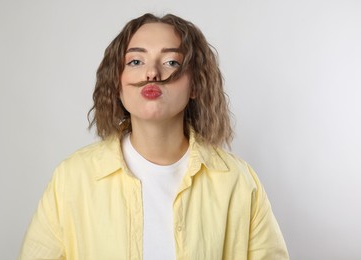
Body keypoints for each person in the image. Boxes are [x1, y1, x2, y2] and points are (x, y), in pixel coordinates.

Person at [18, 13, 289, 260]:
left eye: (171, 61)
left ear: (195, 84)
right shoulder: (72, 178)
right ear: (117, 82)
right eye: (136, 61)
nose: (152, 73)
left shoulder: (239, 182)